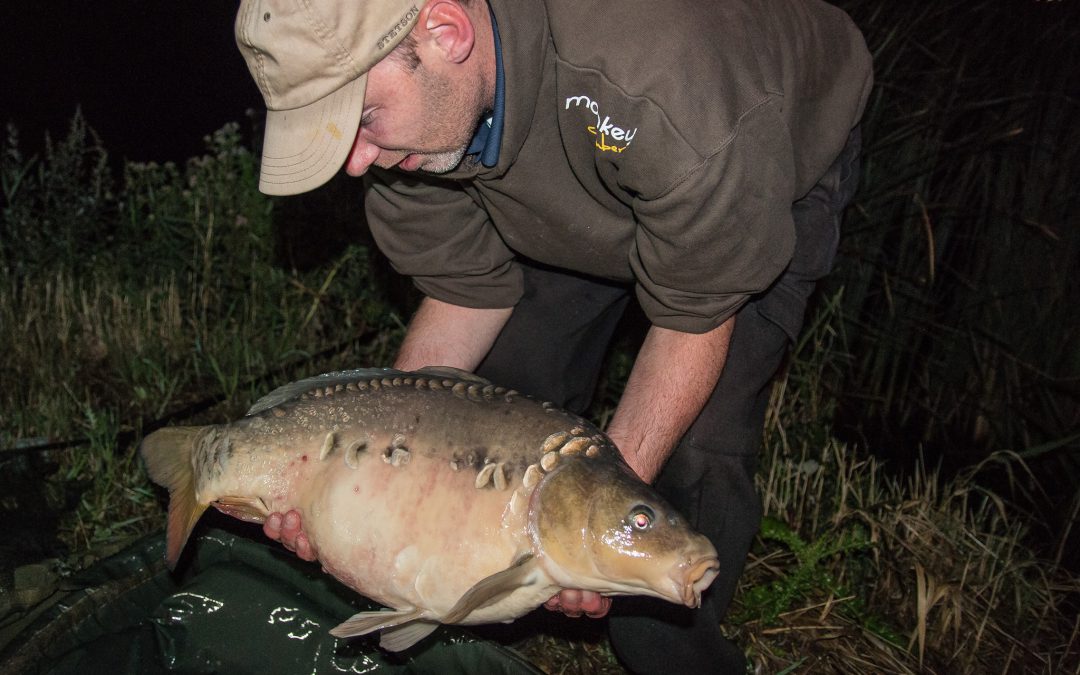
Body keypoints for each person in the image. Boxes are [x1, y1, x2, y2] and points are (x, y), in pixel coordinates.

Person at [235, 0, 871, 671]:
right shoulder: (412, 127)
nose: (357, 162)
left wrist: (582, 527)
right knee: (500, 411)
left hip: (740, 148)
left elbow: (694, 317)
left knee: (691, 461)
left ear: (446, 32)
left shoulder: (659, 76)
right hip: (588, 154)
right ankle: (481, 603)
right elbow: (463, 292)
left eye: (362, 119)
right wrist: (371, 480)